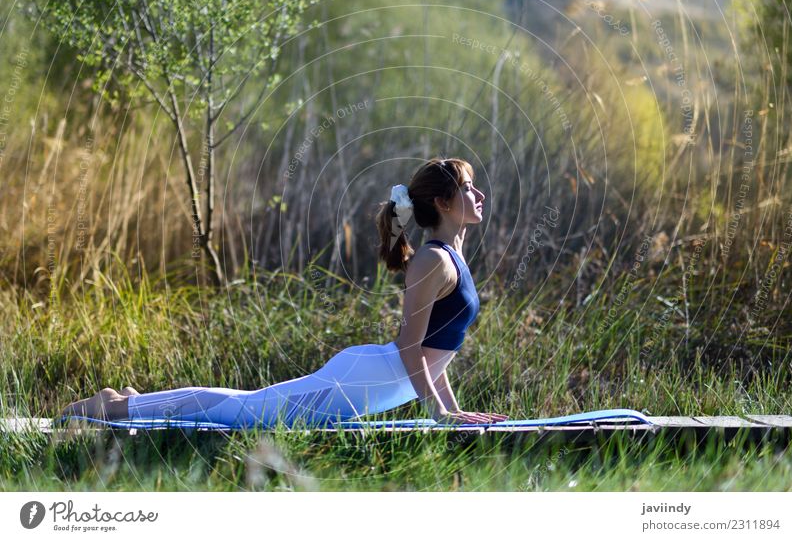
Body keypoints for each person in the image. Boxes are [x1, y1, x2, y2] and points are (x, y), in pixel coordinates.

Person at [59, 157, 508, 428]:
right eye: (468, 187)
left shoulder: (452, 256)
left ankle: (133, 401)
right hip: (362, 380)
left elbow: (435, 354)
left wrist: (454, 413)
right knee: (242, 414)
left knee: (245, 407)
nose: (480, 193)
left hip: (377, 383)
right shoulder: (434, 261)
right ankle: (118, 407)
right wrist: (437, 413)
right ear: (443, 204)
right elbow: (411, 347)